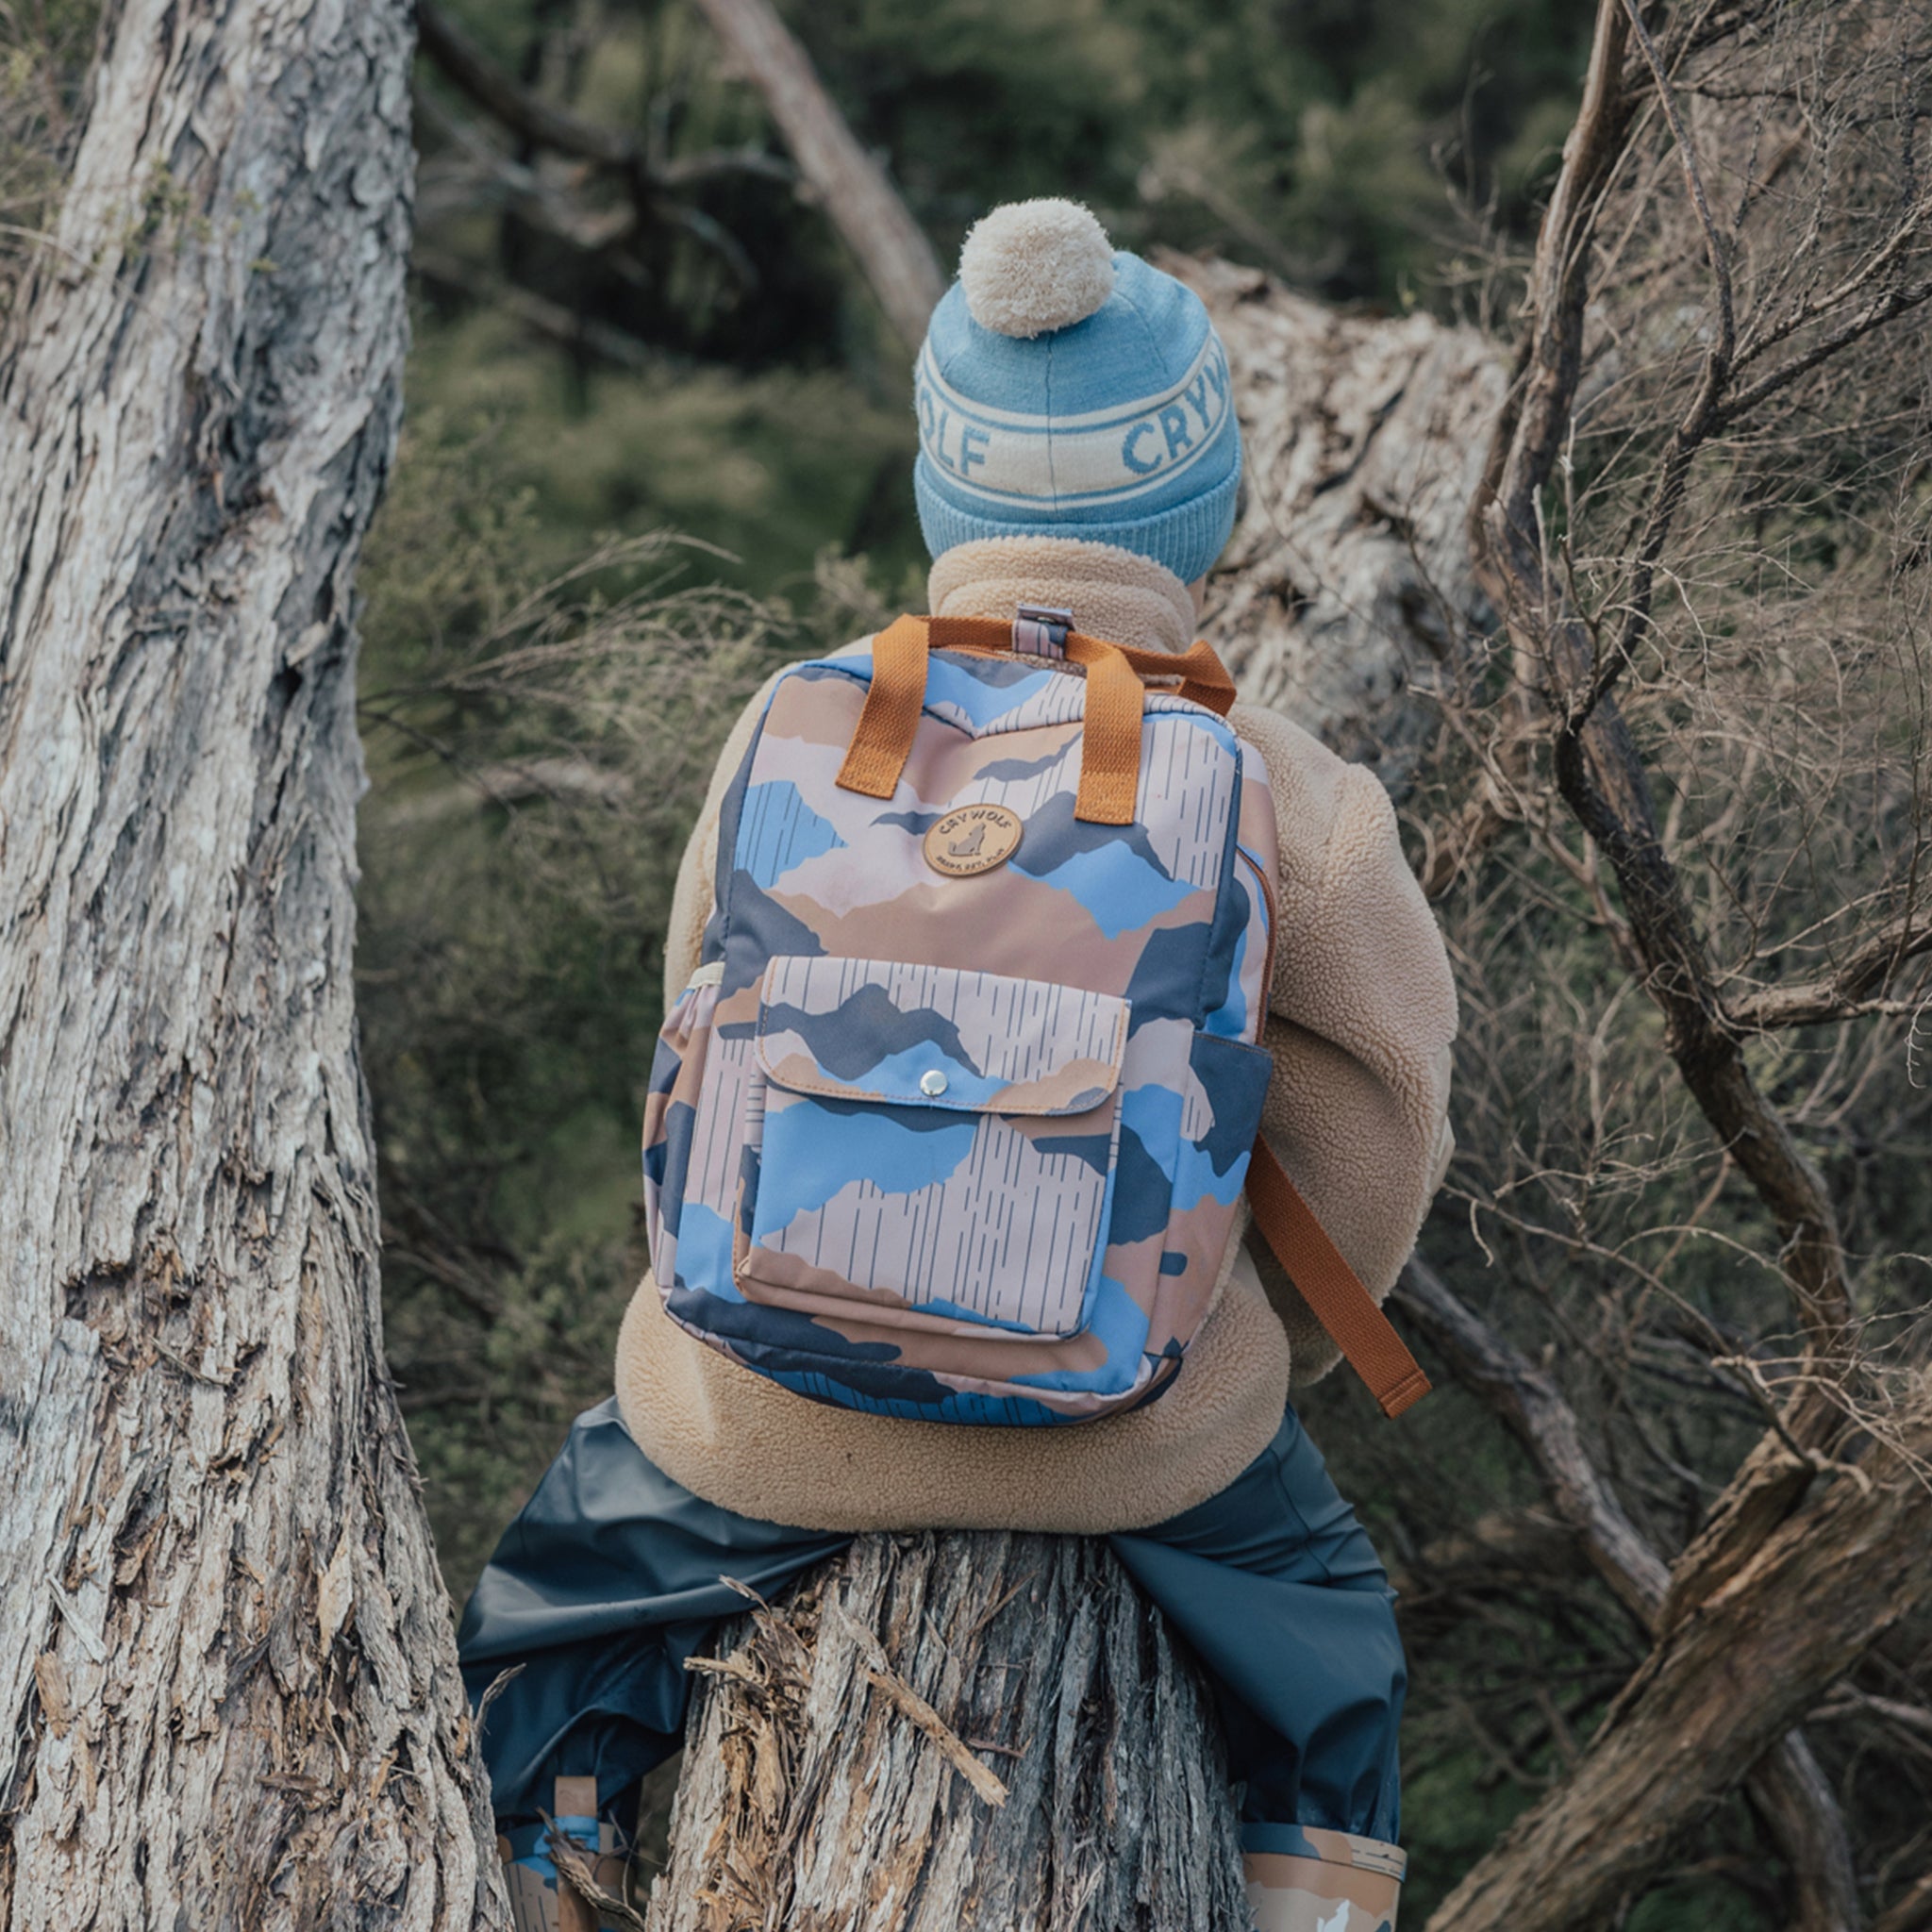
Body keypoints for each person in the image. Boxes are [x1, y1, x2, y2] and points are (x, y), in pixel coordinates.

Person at [458, 197, 1457, 1932]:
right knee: (1329, 1631)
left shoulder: (805, 721)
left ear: (946, 498)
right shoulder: (1289, 793)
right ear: (1200, 506)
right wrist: (1239, 1358)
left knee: (556, 1596)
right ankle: (1313, 1891)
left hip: (765, 1414)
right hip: (1136, 1441)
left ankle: (549, 1851)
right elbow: (1377, 1129)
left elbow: (694, 1036)